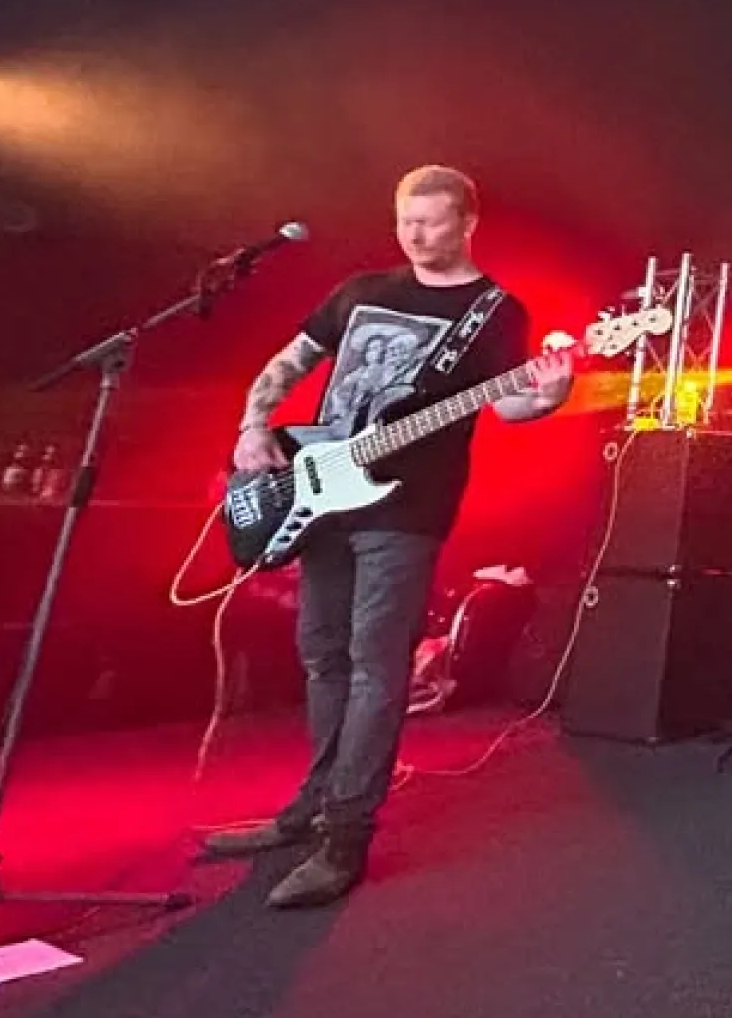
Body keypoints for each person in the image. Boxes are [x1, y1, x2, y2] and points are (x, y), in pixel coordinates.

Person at [202, 165, 571, 908]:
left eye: (430, 221)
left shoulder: (493, 311)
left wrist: (550, 393)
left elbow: (510, 408)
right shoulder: (361, 290)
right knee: (322, 656)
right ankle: (310, 806)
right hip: (320, 492)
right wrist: (251, 428)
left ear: (467, 222)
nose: (413, 234)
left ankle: (346, 836)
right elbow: (290, 362)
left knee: (377, 666)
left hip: (406, 510)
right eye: (405, 219)